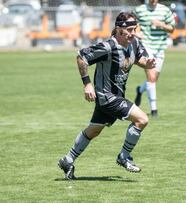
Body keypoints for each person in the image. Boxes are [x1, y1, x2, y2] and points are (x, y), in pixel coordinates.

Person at [58, 12, 156, 180]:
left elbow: (139, 58)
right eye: (130, 30)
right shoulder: (108, 47)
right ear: (119, 29)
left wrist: (146, 63)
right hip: (108, 97)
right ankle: (124, 156)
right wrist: (87, 84)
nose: (133, 33)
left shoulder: (135, 43)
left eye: (135, 29)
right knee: (142, 119)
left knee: (94, 130)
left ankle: (68, 160)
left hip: (115, 96)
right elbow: (81, 57)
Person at [133, 0, 176, 118]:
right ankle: (154, 110)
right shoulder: (139, 10)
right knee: (151, 78)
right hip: (146, 46)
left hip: (160, 48)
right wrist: (136, 33)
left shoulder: (165, 10)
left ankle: (140, 90)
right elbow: (131, 24)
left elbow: (172, 28)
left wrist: (160, 24)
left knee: (153, 79)